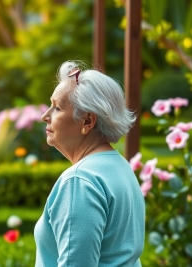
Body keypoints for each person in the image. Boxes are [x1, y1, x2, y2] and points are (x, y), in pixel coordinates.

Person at [34, 60, 145, 267]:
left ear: (87, 121)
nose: (45, 116)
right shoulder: (120, 167)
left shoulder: (79, 181)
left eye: (57, 108)